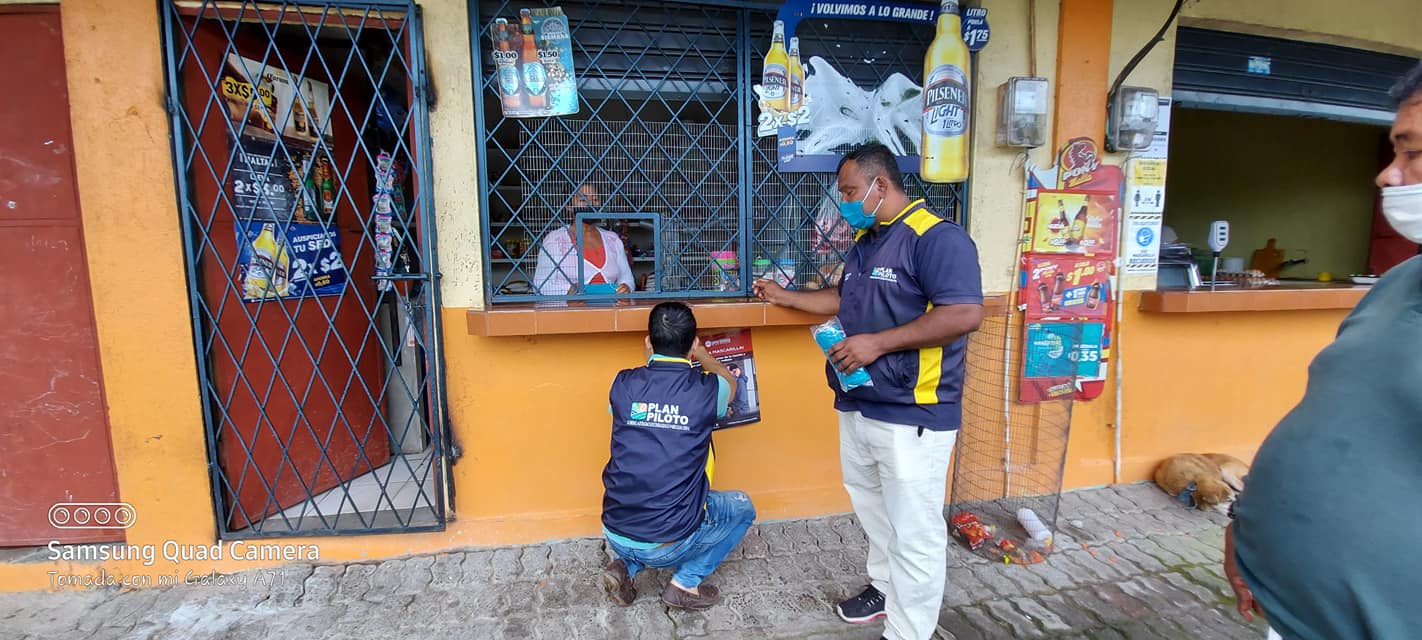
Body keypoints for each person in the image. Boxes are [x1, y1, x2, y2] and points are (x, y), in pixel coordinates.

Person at [1224, 61, 1422, 640]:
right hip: (1289, 609)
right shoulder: (1397, 283)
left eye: (1413, 152)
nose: (1387, 175)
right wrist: (1246, 521)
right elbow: (1336, 419)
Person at [754, 143, 983, 640]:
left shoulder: (936, 239)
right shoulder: (867, 240)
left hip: (913, 412)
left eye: (850, 191)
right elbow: (844, 297)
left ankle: (909, 631)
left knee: (915, 532)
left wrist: (877, 343)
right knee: (875, 512)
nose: (845, 202)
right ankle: (884, 588)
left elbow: (964, 314)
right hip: (859, 401)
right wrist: (785, 295)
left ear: (881, 185)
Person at [600, 302, 755, 611]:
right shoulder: (709, 389)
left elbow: (636, 404)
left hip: (614, 530)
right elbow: (731, 382)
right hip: (668, 542)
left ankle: (626, 565)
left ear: (648, 342)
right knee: (743, 507)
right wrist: (703, 354)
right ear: (693, 344)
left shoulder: (623, 383)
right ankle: (685, 583)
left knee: (649, 499)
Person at [531, 183, 635, 296]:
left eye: (595, 199)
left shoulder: (613, 239)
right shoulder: (554, 240)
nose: (590, 204)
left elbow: (627, 279)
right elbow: (540, 285)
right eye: (583, 199)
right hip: (569, 307)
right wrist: (568, 292)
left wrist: (626, 287)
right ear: (569, 206)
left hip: (610, 306)